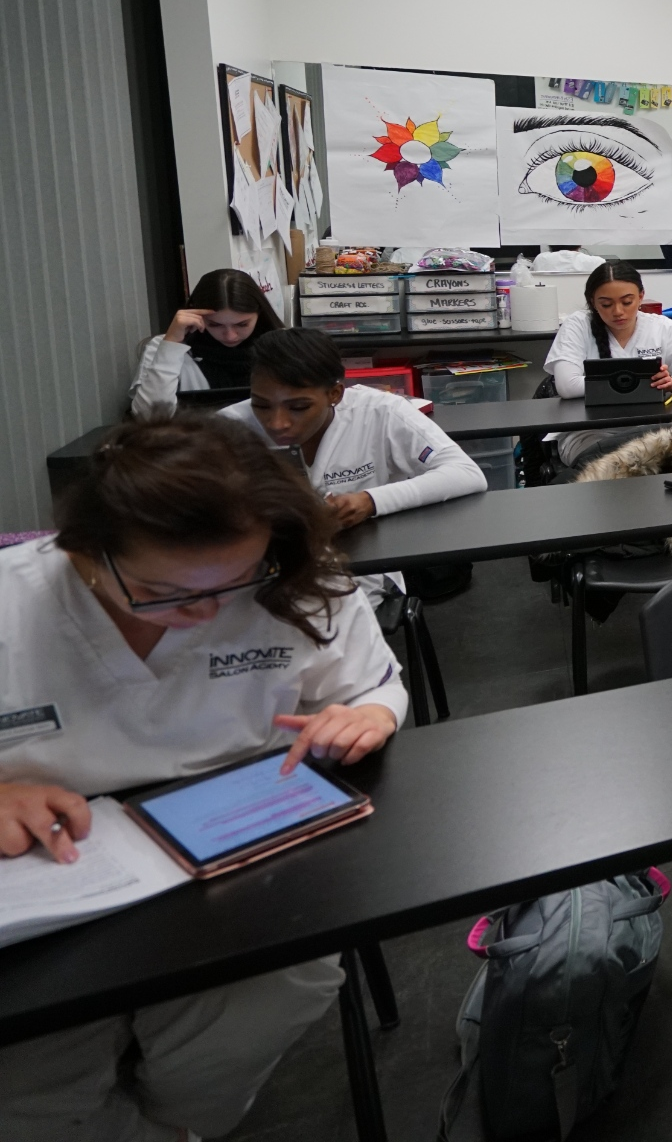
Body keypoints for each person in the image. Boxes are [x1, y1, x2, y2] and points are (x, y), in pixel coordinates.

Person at [0, 416, 406, 1140]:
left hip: (230, 858)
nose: (208, 612)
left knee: (274, 994)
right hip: (43, 884)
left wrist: (367, 715)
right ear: (83, 551)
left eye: (238, 580)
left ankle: (182, 1126)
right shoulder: (13, 603)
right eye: (163, 591)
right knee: (35, 1068)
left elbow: (371, 685)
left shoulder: (299, 579)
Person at [223, 329, 484, 531]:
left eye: (299, 407)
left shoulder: (379, 411)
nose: (277, 423)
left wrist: (370, 500)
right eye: (261, 405)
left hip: (363, 570)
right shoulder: (229, 427)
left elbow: (465, 472)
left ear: (334, 394)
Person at [128, 268, 284, 419]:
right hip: (195, 444)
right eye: (215, 325)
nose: (230, 336)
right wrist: (171, 345)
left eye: (242, 324)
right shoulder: (166, 348)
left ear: (259, 314)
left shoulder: (281, 347)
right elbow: (148, 417)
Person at [544, 260, 672, 398]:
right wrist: (644, 382)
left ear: (640, 297)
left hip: (654, 424)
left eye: (627, 302)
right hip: (593, 428)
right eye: (606, 304)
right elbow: (567, 386)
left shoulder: (660, 326)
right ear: (593, 302)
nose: (618, 312)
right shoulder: (578, 325)